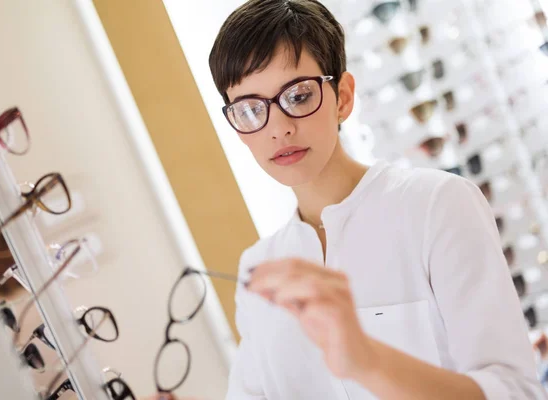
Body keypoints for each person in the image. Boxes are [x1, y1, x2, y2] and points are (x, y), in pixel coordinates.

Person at [150, 0, 546, 399]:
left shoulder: (436, 206)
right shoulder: (259, 268)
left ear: (342, 97)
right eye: (251, 110)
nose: (279, 129)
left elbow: (513, 391)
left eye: (299, 96)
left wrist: (367, 360)